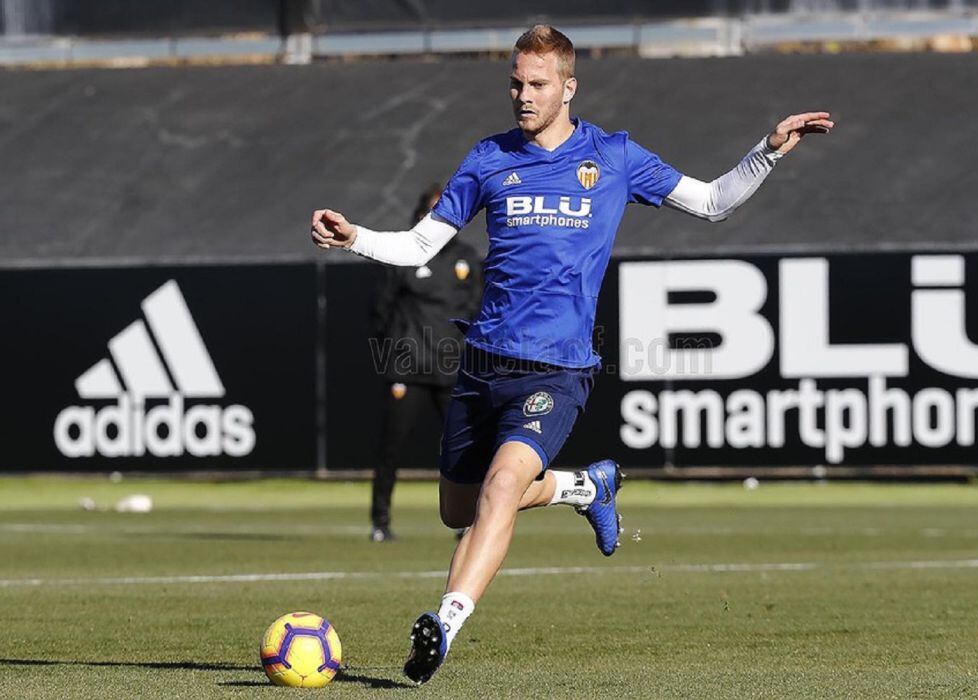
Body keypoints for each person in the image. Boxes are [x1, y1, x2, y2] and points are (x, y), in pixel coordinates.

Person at [310, 24, 832, 685]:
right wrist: (356, 236)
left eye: (537, 84)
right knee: (458, 511)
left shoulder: (611, 157)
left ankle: (442, 626)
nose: (523, 95)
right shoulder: (487, 158)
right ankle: (585, 486)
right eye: (515, 82)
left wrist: (767, 152)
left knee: (501, 489)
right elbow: (419, 247)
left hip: (556, 368)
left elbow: (710, 203)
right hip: (482, 363)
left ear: (568, 87)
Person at [368, 184, 484, 543]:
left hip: (451, 369)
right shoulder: (404, 255)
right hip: (408, 368)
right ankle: (380, 522)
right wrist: (392, 351)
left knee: (463, 448)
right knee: (392, 447)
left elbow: (479, 310)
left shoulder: (466, 259)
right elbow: (379, 312)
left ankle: (467, 520)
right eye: (429, 212)